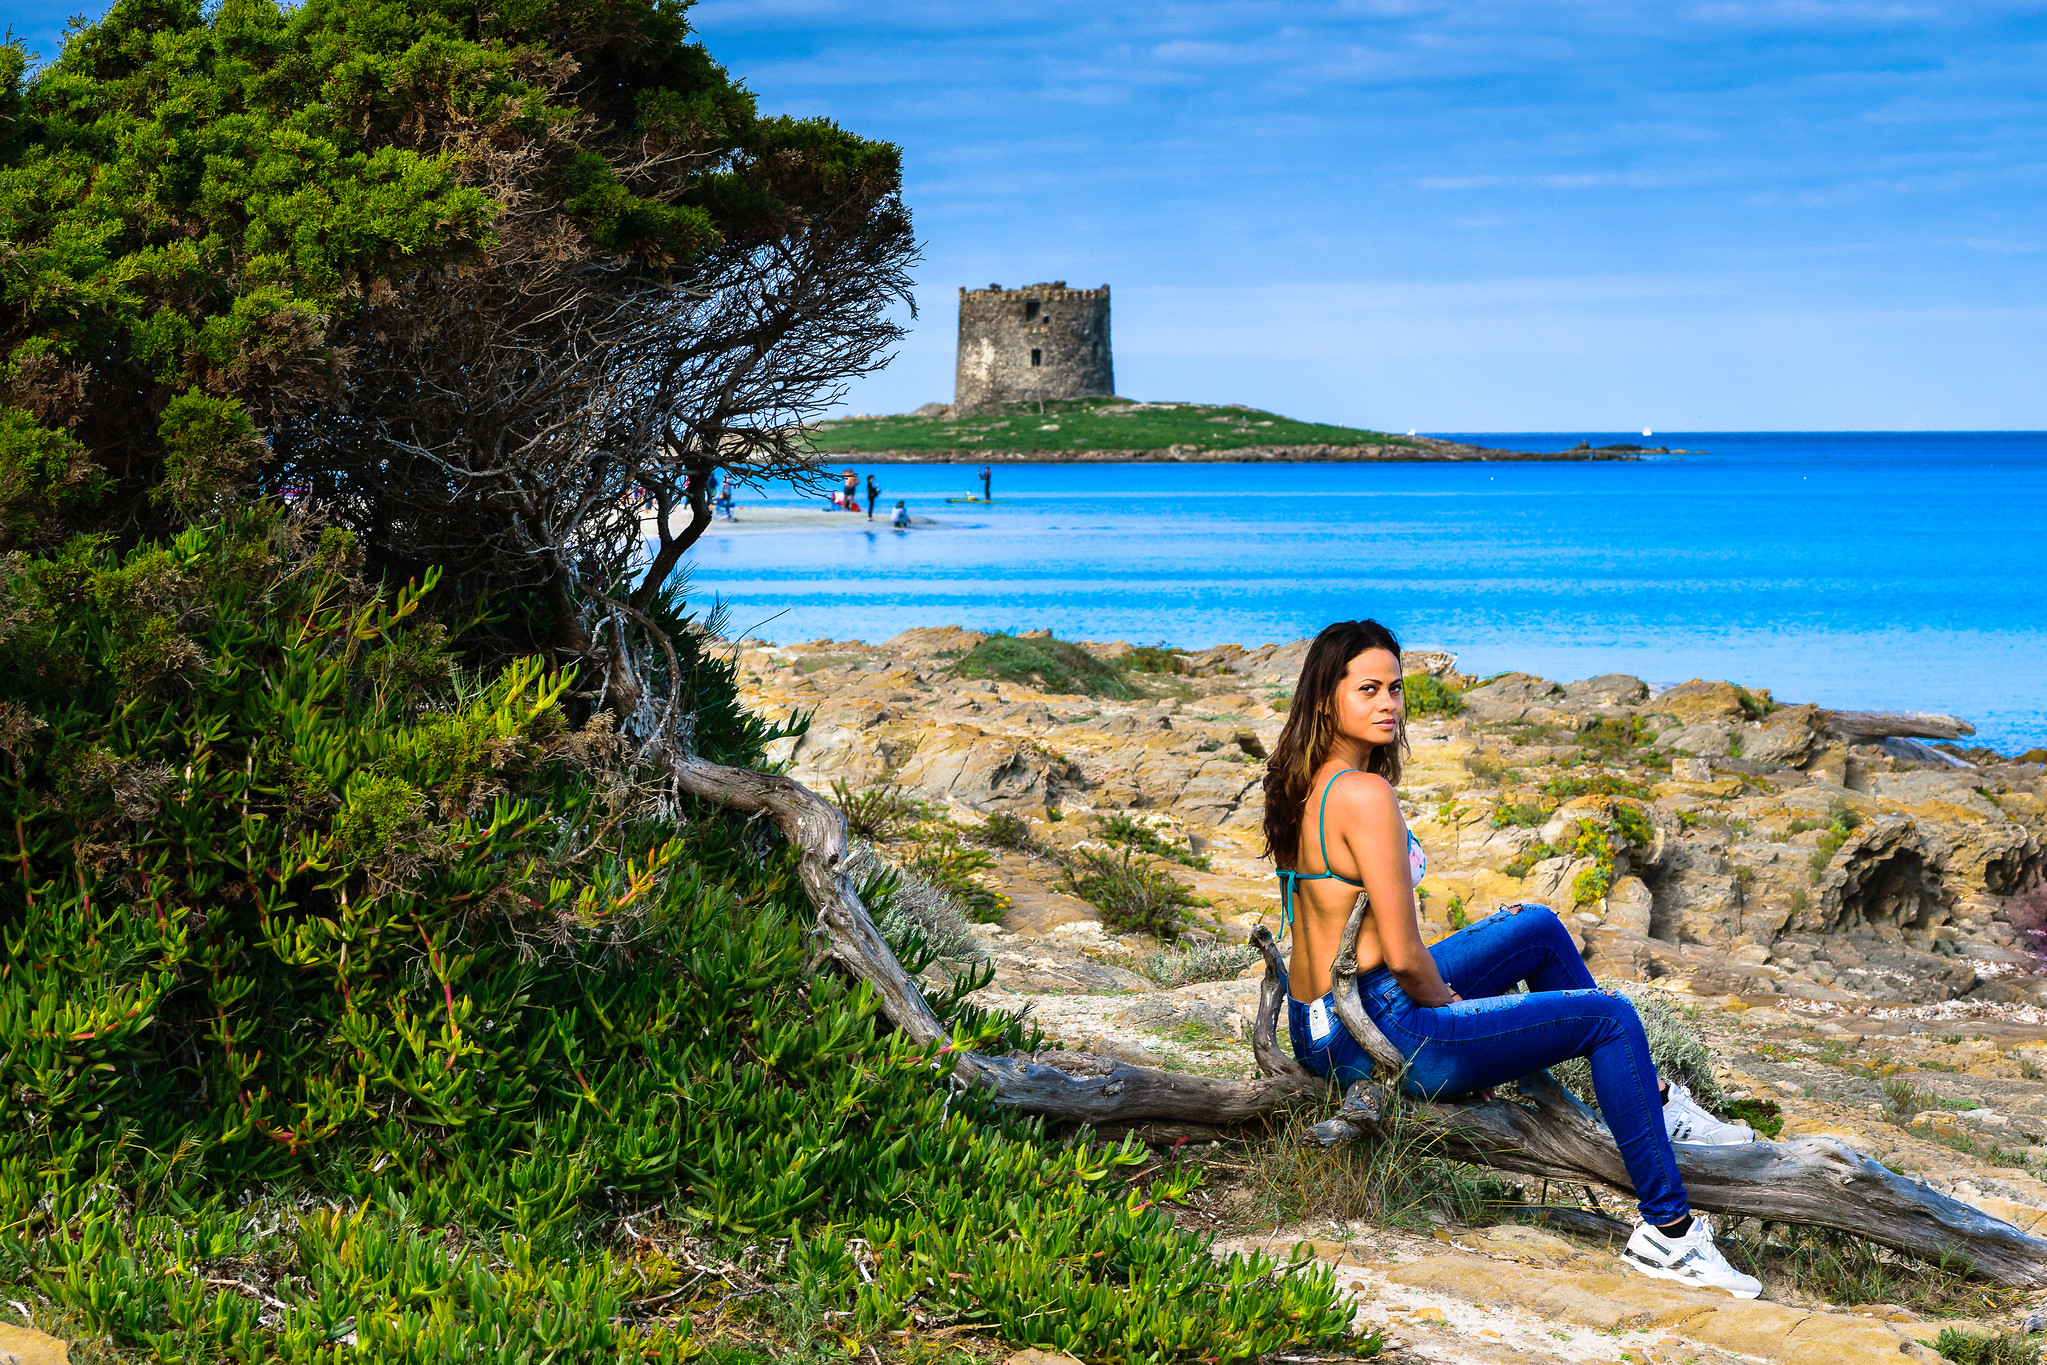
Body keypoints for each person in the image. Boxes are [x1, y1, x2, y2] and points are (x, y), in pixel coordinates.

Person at [1266, 620, 1760, 1299]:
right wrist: (1462, 1016)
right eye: (1369, 689)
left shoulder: (1305, 779)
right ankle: (1668, 1234)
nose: (1389, 703)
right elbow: (1408, 958)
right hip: (1377, 1028)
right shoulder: (1364, 794)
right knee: (1612, 1019)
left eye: (1396, 688)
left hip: (1317, 1025)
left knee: (1533, 927)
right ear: (1328, 698)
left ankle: (1655, 1101)